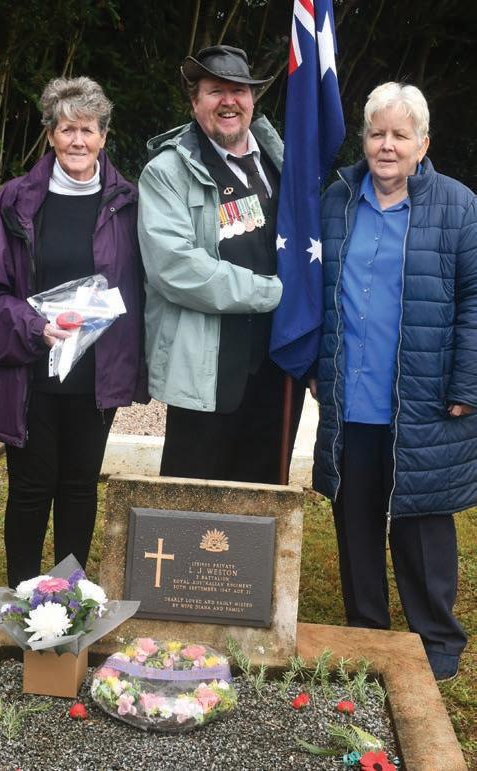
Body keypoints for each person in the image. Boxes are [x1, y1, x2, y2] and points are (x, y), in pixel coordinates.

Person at [312, 82, 477, 680]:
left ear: (422, 144)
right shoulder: (337, 200)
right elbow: (315, 291)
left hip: (425, 398)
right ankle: (366, 632)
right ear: (364, 139)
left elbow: (474, 299)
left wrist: (466, 383)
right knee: (355, 519)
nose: (387, 145)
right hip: (352, 397)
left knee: (422, 522)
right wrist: (315, 365)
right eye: (377, 133)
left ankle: (437, 643)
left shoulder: (457, 206)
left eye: (400, 135)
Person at [0, 76, 147, 587]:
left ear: (104, 136)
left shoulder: (128, 203)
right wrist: (34, 326)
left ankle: (70, 598)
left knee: (79, 487)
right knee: (30, 488)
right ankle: (23, 600)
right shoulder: (15, 201)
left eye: (88, 130)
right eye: (67, 129)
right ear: (50, 135)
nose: (77, 141)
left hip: (96, 376)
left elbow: (146, 287)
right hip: (30, 372)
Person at [138, 45, 304, 484]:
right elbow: (175, 267)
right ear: (195, 103)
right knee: (191, 501)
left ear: (253, 100)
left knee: (262, 498)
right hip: (206, 372)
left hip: (277, 365)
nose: (228, 101)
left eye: (239, 91)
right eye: (215, 91)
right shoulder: (166, 173)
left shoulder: (283, 162)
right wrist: (273, 292)